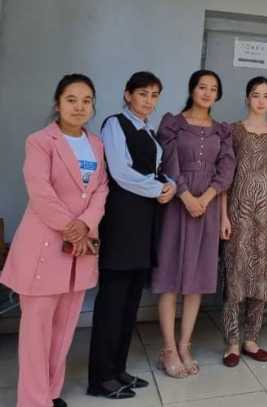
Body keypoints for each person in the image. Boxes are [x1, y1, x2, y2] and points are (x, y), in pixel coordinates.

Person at [1, 74, 108, 407]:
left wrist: (86, 224)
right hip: (46, 246)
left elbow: (101, 189)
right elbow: (40, 191)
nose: (79, 107)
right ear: (57, 103)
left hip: (81, 248)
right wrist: (72, 227)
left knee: (64, 330)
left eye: (86, 100)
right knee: (37, 332)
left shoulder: (96, 145)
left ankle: (51, 393)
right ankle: (33, 401)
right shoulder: (40, 141)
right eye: (72, 99)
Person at [88, 72, 175, 400]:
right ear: (127, 95)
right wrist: (158, 188)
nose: (149, 100)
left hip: (144, 223)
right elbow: (121, 172)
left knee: (130, 302)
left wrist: (171, 184)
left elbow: (154, 169)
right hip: (123, 220)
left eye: (154, 95)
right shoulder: (115, 124)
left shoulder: (147, 131)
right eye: (142, 94)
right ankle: (100, 377)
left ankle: (118, 369)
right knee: (112, 301)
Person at [152, 70, 235, 377]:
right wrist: (186, 196)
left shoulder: (222, 130)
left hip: (208, 206)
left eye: (213, 88)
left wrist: (208, 196)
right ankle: (168, 348)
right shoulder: (172, 122)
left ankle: (185, 345)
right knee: (170, 276)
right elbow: (168, 162)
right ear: (191, 89)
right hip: (177, 203)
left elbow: (227, 168)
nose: (207, 92)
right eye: (202, 87)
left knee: (198, 277)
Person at [221, 76, 267, 366]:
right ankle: (232, 342)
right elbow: (225, 178)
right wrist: (223, 215)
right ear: (247, 98)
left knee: (261, 278)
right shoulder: (232, 131)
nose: (261, 100)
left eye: (266, 95)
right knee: (235, 275)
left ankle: (251, 338)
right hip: (238, 214)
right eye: (256, 95)